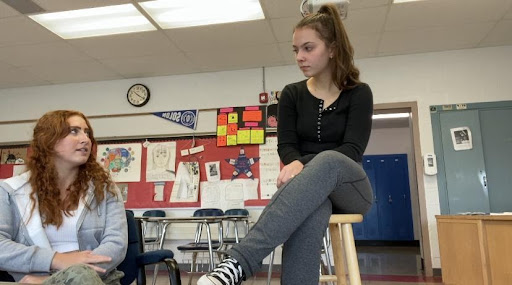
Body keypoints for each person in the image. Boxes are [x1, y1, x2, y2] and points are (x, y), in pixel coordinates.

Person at [198, 4, 373, 285]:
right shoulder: (291, 94)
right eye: (295, 50)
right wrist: (296, 162)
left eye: (308, 48)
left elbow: (352, 150)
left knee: (329, 160)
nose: (299, 57)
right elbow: (287, 146)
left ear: (332, 49)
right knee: (312, 209)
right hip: (310, 191)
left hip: (350, 188)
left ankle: (238, 262)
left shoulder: (359, 93)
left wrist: (300, 164)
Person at [0, 110, 128, 284]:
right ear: (49, 140)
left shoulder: (105, 189)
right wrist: (57, 260)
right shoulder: (11, 190)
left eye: (87, 132)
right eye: (74, 131)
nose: (85, 139)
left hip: (97, 279)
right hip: (37, 279)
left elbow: (116, 244)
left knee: (83, 277)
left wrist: (77, 270)